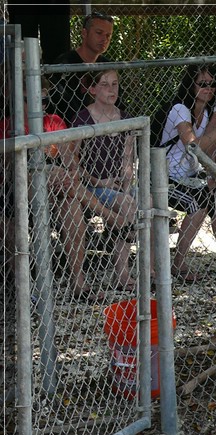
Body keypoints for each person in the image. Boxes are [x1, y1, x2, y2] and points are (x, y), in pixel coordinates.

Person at [1, 78, 134, 301]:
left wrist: (68, 173)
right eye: (33, 100)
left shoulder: (53, 121)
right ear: (16, 100)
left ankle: (78, 282)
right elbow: (7, 171)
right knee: (43, 173)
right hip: (19, 190)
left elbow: (71, 162)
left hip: (59, 189)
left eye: (44, 100)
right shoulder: (7, 126)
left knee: (71, 204)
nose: (41, 105)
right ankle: (110, 217)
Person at [160, 65, 216, 282]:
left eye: (212, 84)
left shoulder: (212, 110)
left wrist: (214, 178)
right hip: (167, 175)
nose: (208, 89)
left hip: (192, 175)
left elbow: (210, 150)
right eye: (202, 84)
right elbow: (194, 147)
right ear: (190, 85)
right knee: (200, 202)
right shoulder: (180, 109)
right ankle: (178, 263)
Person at [66, 69, 139, 291]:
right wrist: (100, 182)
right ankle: (122, 274)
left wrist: (127, 187)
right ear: (93, 89)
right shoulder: (82, 118)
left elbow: (128, 161)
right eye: (105, 84)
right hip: (91, 184)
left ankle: (153, 270)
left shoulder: (124, 118)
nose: (111, 89)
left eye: (115, 84)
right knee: (127, 205)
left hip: (116, 183)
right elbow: (72, 162)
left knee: (147, 200)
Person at [50, 11, 117, 125]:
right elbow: (61, 103)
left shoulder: (107, 65)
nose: (104, 39)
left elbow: (117, 101)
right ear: (84, 33)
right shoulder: (64, 63)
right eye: (99, 33)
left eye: (108, 35)